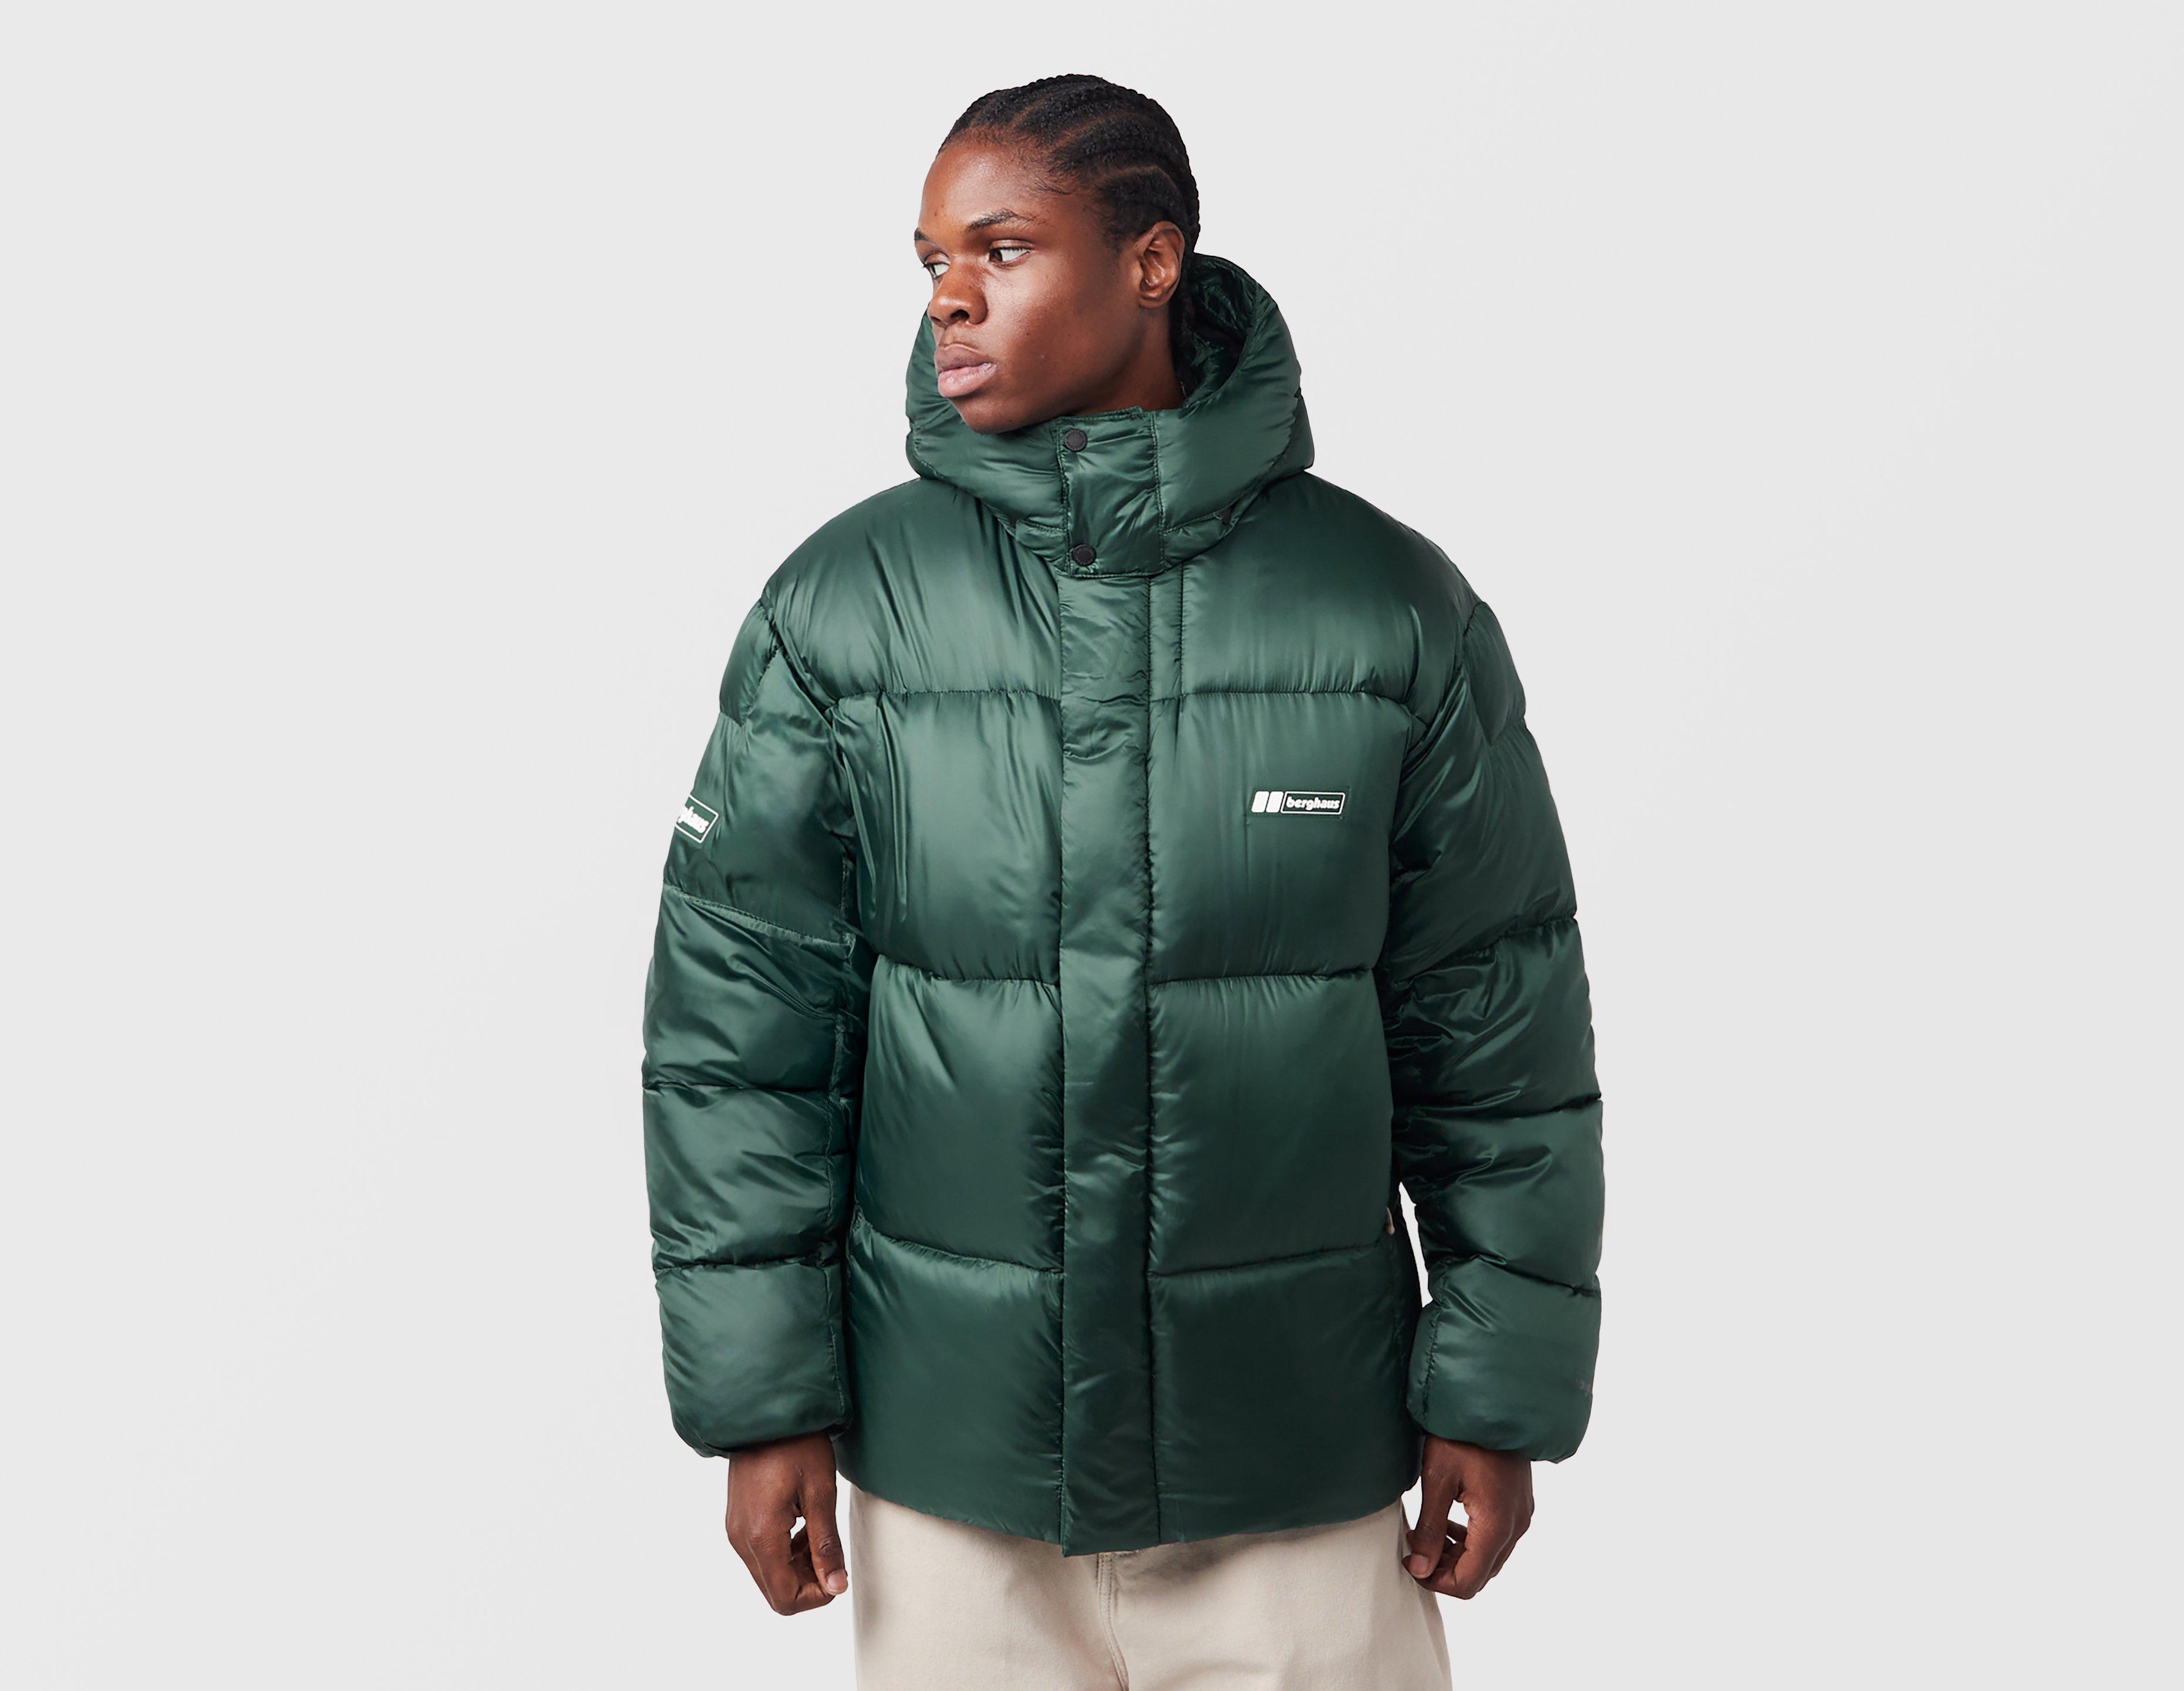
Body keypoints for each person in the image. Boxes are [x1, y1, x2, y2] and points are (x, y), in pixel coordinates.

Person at [639, 73, 1605, 1690]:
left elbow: (1500, 1038)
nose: (950, 296)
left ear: (1152, 263)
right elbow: (740, 1041)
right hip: (954, 1486)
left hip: (1298, 1480)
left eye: (1003, 248)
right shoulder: (840, 612)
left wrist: (1494, 1398)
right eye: (933, 259)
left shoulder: (1386, 610)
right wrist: (762, 1404)